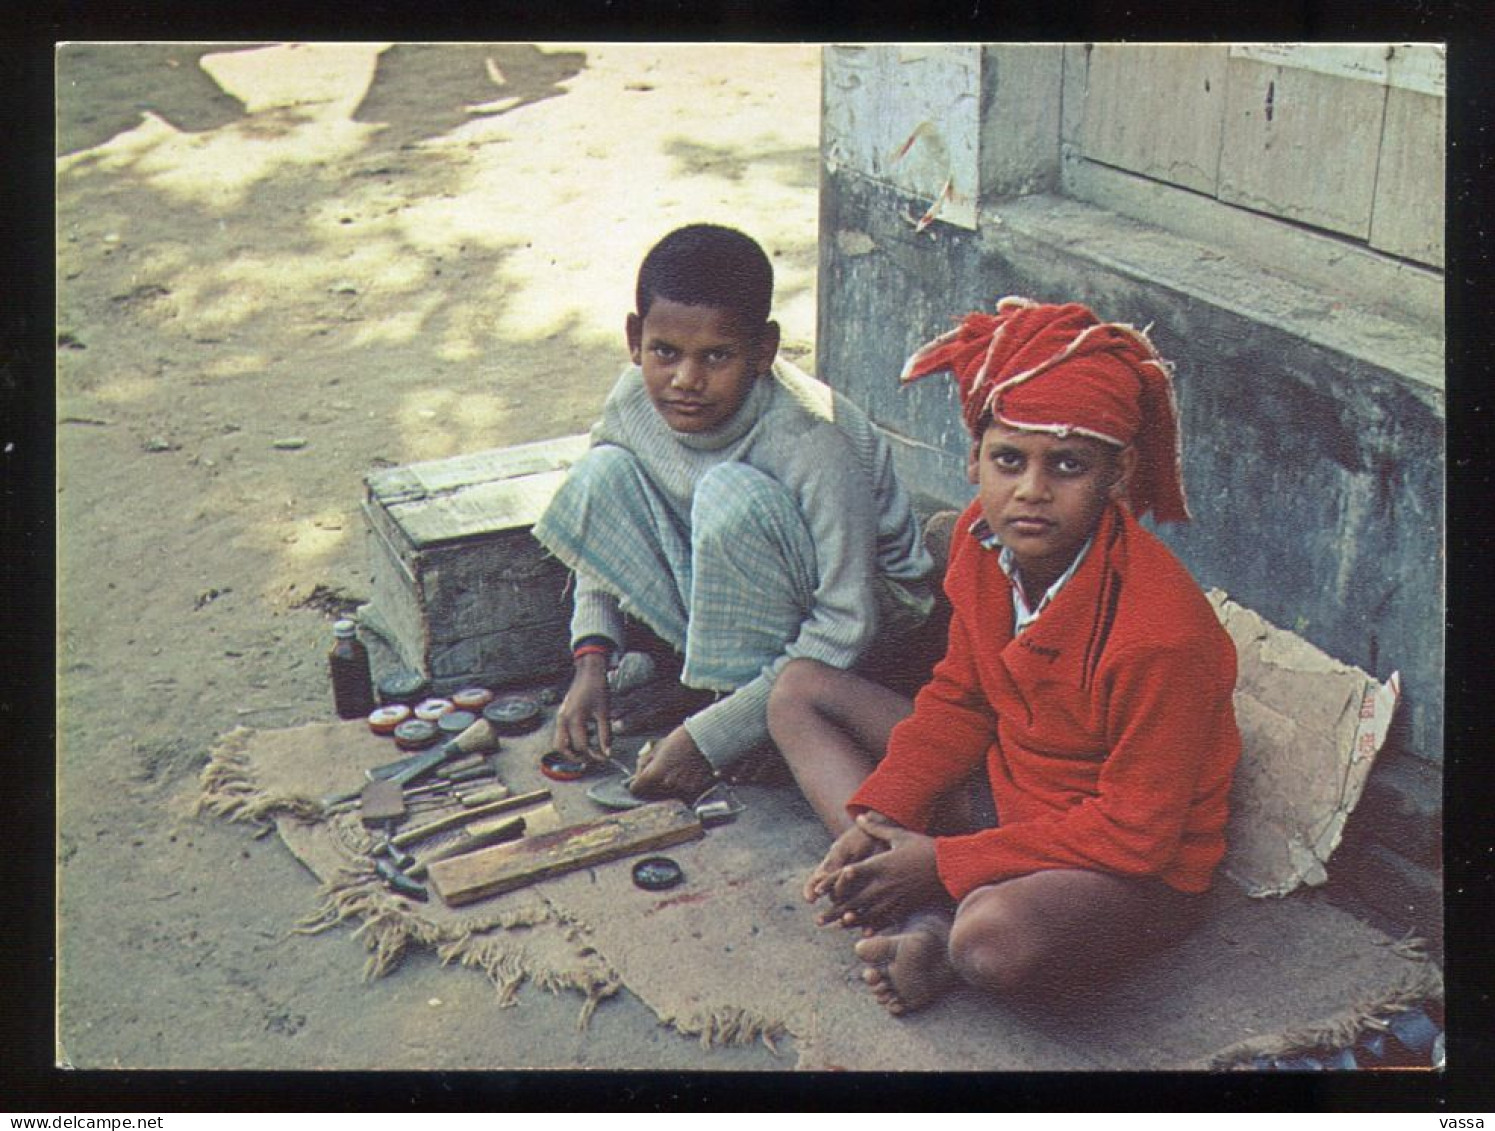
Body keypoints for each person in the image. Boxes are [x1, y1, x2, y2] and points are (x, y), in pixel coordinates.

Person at [767, 297, 1242, 1014]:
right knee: (797, 693)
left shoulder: (1162, 633)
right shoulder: (978, 543)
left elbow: (1136, 834)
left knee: (990, 940)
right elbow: (961, 699)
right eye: (1008, 459)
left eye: (1068, 465)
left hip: (1119, 867)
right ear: (972, 459)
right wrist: (880, 814)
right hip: (1004, 793)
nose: (1030, 491)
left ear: (1117, 475)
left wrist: (942, 861)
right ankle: (904, 891)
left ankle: (930, 919)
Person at [532, 223, 935, 802]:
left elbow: (850, 621)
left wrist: (710, 740)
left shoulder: (813, 442)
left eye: (717, 357)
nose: (686, 380)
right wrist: (591, 658)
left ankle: (750, 721)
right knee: (602, 472)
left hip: (868, 634)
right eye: (664, 352)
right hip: (745, 584)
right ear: (634, 338)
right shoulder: (631, 400)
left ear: (764, 351)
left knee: (730, 497)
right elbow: (605, 523)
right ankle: (732, 699)